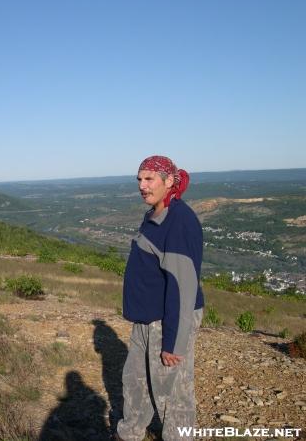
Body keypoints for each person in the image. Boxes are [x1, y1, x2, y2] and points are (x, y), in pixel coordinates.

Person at [116, 155, 204, 441]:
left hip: (168, 319)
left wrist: (173, 343)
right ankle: (129, 434)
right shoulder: (155, 213)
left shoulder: (179, 221)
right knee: (135, 382)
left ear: (169, 181)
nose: (142, 185)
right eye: (139, 179)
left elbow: (183, 287)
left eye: (149, 178)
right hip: (146, 318)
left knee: (172, 393)